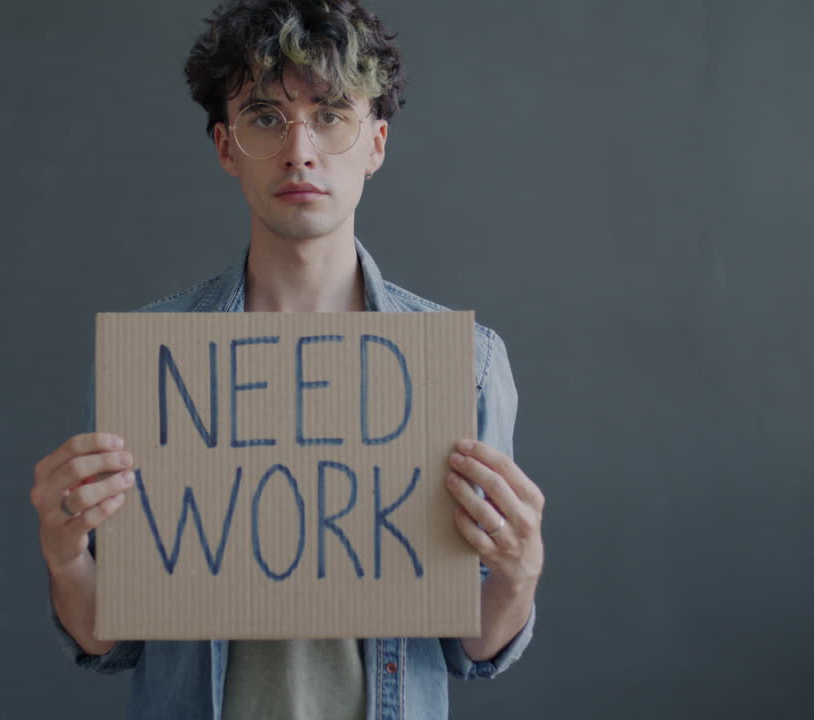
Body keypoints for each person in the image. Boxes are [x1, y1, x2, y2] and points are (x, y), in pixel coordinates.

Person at [28, 1, 546, 717]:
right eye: (265, 117)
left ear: (376, 144)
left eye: (331, 114)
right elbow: (114, 638)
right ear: (224, 146)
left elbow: (468, 647)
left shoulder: (466, 366)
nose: (299, 148)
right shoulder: (155, 362)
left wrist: (518, 575)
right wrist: (64, 556)